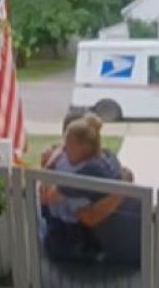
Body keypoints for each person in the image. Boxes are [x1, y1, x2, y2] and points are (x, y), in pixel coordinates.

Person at [40, 113, 140, 265]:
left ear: (83, 146)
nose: (65, 148)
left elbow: (47, 196)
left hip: (115, 243)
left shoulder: (86, 172)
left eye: (68, 143)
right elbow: (127, 175)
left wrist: (48, 166)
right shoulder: (106, 157)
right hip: (127, 228)